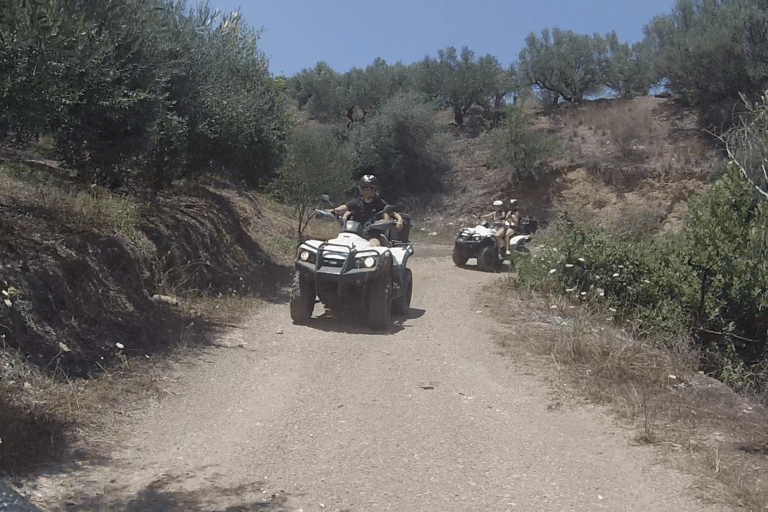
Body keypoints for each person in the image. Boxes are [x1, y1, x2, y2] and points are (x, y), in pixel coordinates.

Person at [342, 175, 403, 246]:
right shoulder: (355, 203)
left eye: (371, 187)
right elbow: (343, 209)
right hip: (354, 234)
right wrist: (333, 211)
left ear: (375, 189)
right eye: (365, 187)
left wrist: (400, 219)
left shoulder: (380, 203)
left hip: (372, 236)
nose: (368, 190)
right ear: (361, 189)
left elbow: (392, 213)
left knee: (375, 245)